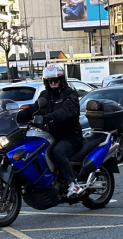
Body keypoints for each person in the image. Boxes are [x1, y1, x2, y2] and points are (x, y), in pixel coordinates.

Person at [17, 64, 83, 197]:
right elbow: (33, 109)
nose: (53, 83)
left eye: (56, 80)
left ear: (61, 80)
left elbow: (67, 111)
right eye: (50, 81)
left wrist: (46, 118)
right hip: (50, 135)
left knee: (57, 151)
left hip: (70, 136)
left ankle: (73, 184)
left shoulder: (70, 94)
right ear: (46, 82)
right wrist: (16, 116)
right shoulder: (45, 95)